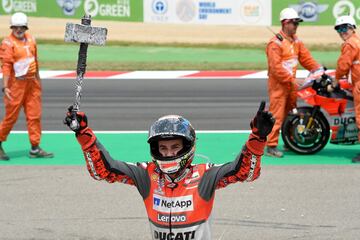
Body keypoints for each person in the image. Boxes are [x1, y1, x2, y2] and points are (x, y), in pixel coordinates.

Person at [64, 101, 275, 239]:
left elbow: (245, 172)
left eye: (175, 147)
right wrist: (83, 133)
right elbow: (103, 171)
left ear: (188, 147)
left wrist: (258, 138)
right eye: (163, 148)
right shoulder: (146, 175)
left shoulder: (205, 175)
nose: (168, 154)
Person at [265, 7, 322, 158]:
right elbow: (275, 68)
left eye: (298, 23)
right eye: (294, 23)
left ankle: (289, 141)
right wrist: (291, 80)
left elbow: (306, 58)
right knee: (277, 115)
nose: (296, 26)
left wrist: (318, 69)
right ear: (285, 23)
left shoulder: (296, 41)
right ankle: (271, 146)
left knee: (292, 114)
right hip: (278, 86)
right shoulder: (275, 43)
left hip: (291, 85)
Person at [0, 12, 53, 160]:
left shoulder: (31, 40)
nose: (19, 30)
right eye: (16, 27)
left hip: (32, 84)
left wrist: (38, 81)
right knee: (11, 118)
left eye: (21, 27)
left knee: (34, 116)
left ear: (26, 27)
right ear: (12, 27)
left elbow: (35, 61)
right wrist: (5, 87)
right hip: (15, 85)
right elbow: (5, 66)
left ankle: (35, 148)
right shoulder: (7, 43)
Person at [332, 15, 360, 163]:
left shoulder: (350, 44)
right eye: (339, 29)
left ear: (352, 27)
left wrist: (335, 81)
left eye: (344, 28)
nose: (342, 32)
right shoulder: (357, 40)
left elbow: (343, 65)